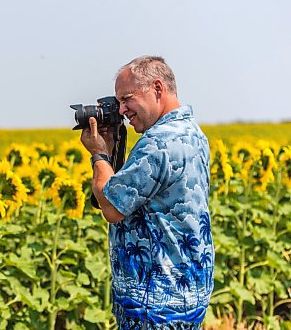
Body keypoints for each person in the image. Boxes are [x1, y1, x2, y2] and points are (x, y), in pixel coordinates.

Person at [80, 56, 214, 330]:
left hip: (155, 300)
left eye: (126, 98)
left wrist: (99, 154)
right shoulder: (192, 132)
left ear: (157, 88)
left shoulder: (158, 143)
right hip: (187, 291)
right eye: (117, 102)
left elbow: (112, 207)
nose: (121, 110)